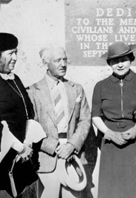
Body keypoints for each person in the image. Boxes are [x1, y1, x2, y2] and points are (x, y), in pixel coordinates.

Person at [92, 41, 136, 198]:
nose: (120, 65)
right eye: (115, 61)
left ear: (131, 59)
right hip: (110, 141)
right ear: (109, 63)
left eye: (123, 60)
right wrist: (109, 133)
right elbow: (95, 115)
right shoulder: (100, 86)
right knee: (112, 186)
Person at [27, 44, 91, 198]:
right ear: (45, 63)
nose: (63, 64)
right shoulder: (32, 92)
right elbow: (30, 127)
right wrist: (55, 147)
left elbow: (85, 120)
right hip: (46, 161)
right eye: (57, 60)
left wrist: (72, 145)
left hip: (72, 157)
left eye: (65, 60)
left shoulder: (76, 89)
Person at [0, 32, 37, 197]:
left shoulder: (15, 79)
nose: (15, 57)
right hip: (1, 161)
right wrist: (19, 148)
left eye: (16, 52)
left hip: (23, 159)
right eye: (11, 53)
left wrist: (27, 144)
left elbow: (29, 112)